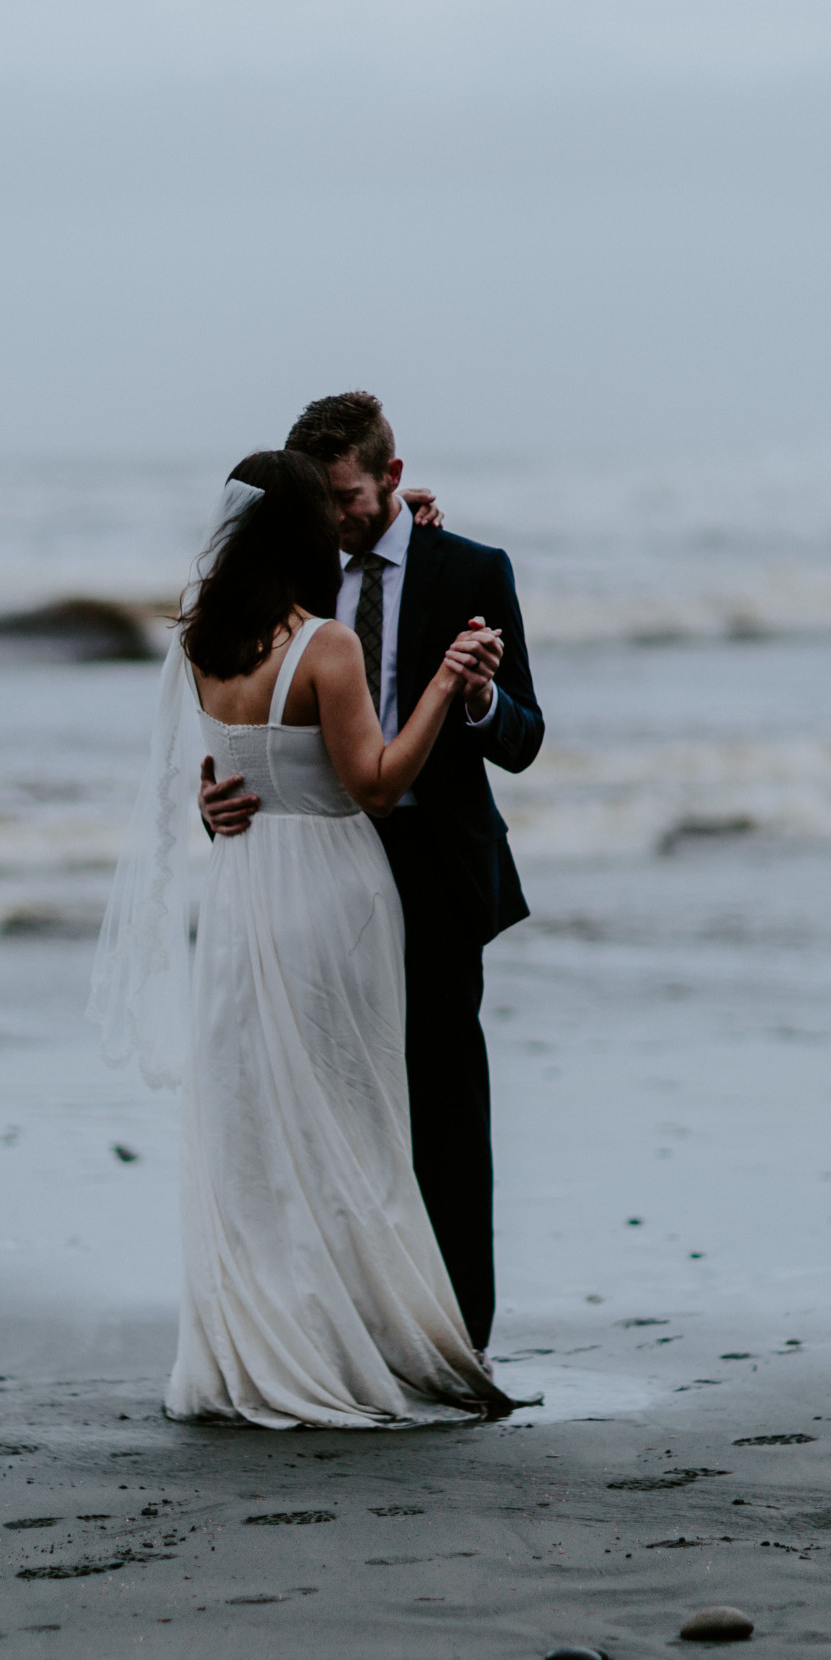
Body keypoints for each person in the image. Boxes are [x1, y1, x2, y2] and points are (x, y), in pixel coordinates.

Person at [92, 449, 510, 1428]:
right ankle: (355, 1336)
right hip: (333, 888)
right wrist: (449, 682)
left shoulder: (201, 637)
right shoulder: (323, 646)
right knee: (352, 1113)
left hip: (241, 892)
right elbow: (370, 781)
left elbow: (217, 768)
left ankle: (258, 1335)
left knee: (254, 1117)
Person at [200, 393, 544, 1356]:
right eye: (322, 500)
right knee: (331, 1102)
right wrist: (214, 795)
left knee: (440, 1107)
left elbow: (526, 737)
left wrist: (477, 699)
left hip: (435, 874)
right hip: (316, 879)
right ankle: (338, 1322)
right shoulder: (291, 583)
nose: (336, 517)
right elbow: (245, 720)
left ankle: (455, 1338)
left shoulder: (471, 569)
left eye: (348, 495)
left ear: (393, 479)